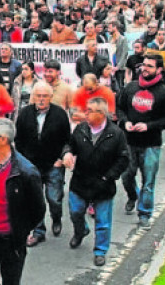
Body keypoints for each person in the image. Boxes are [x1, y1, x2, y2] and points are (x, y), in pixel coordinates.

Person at [0, 118, 46, 285]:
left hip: (9, 241)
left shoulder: (26, 172)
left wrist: (20, 231)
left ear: (3, 140)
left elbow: (38, 210)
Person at [61, 97, 130, 266]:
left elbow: (123, 159)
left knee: (103, 222)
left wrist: (108, 177)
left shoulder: (116, 134)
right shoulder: (81, 129)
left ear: (101, 113)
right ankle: (81, 230)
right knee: (75, 212)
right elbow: (69, 145)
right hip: (80, 182)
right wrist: (67, 153)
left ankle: (100, 251)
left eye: (89, 110)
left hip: (103, 185)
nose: (85, 113)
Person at [116, 54, 165, 228]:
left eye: (150, 66)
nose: (145, 69)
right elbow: (120, 108)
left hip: (151, 144)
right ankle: (133, 196)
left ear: (159, 70)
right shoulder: (131, 87)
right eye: (144, 65)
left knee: (148, 181)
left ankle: (145, 213)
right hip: (129, 141)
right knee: (126, 176)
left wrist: (148, 126)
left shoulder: (164, 92)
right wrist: (124, 122)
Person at [15, 83, 71, 247]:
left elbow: (67, 140)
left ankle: (56, 217)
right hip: (32, 166)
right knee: (35, 200)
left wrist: (62, 158)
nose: (41, 99)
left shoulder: (60, 114)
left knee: (54, 198)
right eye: (38, 96)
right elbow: (19, 141)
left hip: (53, 164)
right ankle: (38, 231)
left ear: (50, 97)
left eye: (44, 96)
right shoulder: (25, 114)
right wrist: (23, 162)